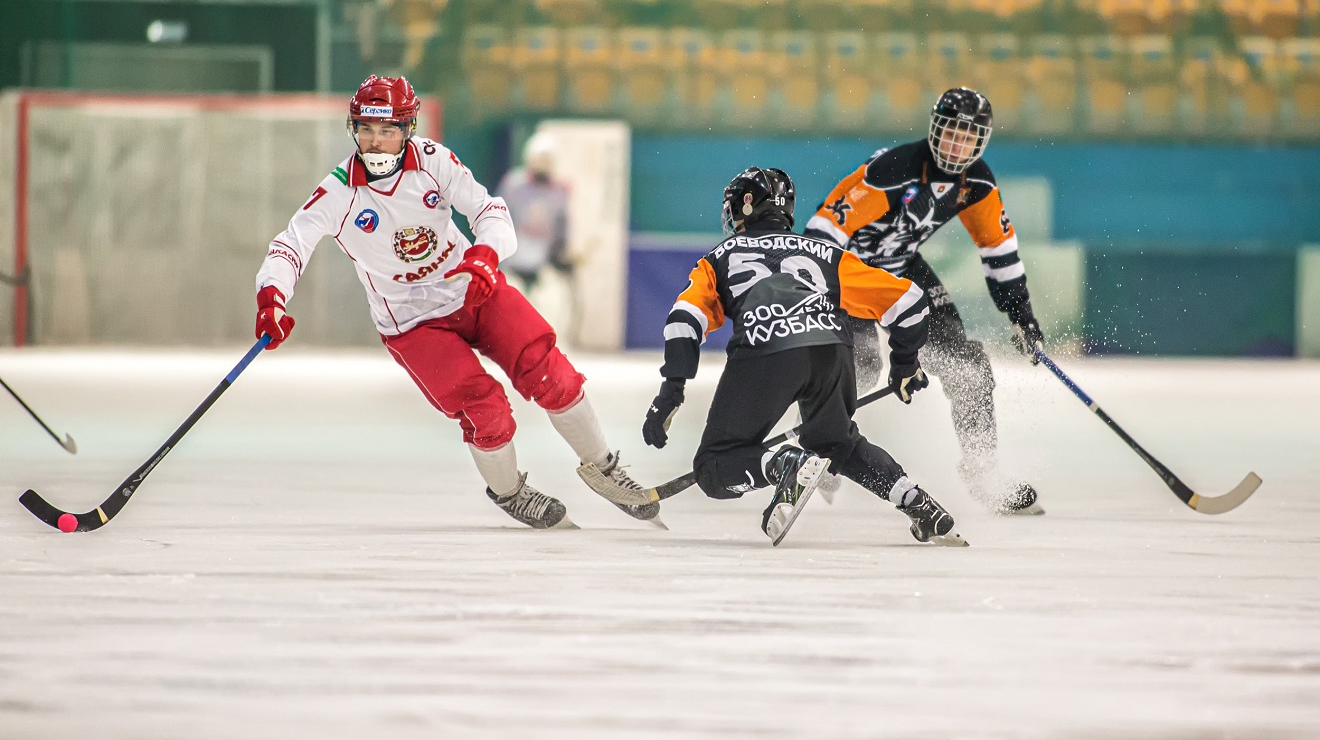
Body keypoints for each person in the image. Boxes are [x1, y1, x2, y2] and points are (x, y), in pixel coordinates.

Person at [253, 75, 659, 529]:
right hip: (412, 322)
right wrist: (272, 297)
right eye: (366, 130)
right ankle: (510, 491)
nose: (376, 143)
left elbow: (490, 211)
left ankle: (604, 469)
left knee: (552, 373)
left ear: (408, 128)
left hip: (472, 287)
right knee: (484, 407)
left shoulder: (434, 161)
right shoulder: (337, 192)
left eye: (387, 130)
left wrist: (486, 253)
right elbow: (290, 245)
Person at [640, 166, 966, 547]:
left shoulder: (720, 257)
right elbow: (910, 302)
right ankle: (918, 503)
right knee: (836, 443)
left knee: (714, 467)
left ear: (746, 206)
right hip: (833, 350)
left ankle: (782, 464)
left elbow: (683, 321)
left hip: (768, 346)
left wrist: (671, 391)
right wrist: (905, 363)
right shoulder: (828, 255)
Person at [803, 87, 1043, 515]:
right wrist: (815, 292)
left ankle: (984, 474)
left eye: (967, 138)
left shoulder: (977, 183)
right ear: (935, 130)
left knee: (967, 364)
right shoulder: (892, 170)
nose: (957, 145)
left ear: (981, 141)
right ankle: (820, 448)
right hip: (849, 271)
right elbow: (824, 229)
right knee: (862, 365)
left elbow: (998, 247)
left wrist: (1021, 313)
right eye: (950, 133)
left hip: (902, 267)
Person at [495, 131, 573, 295]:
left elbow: (562, 225)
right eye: (540, 159)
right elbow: (496, 219)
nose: (543, 164)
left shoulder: (559, 191)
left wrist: (561, 253)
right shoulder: (513, 185)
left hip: (542, 265)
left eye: (547, 160)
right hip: (511, 261)